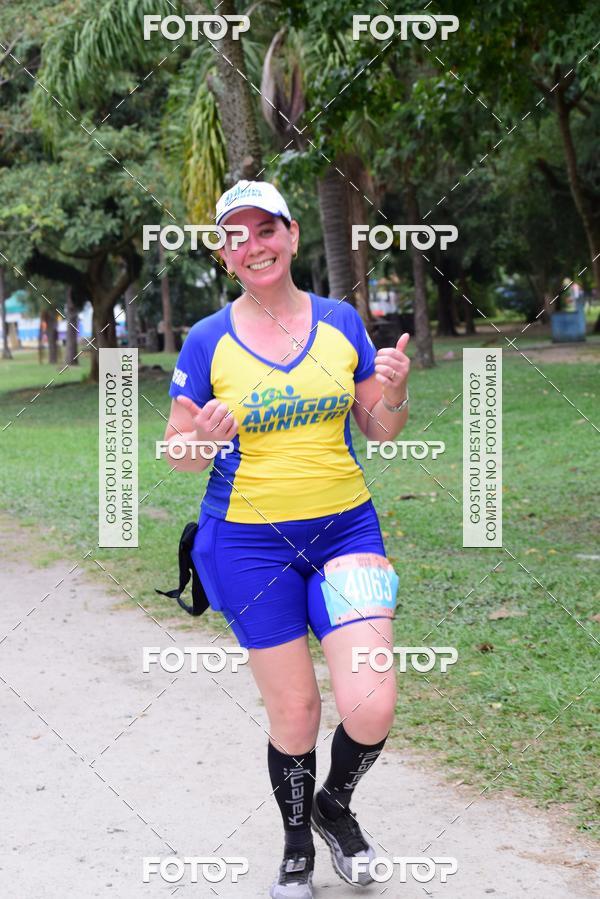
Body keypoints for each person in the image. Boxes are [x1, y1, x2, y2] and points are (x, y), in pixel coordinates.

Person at [163, 180, 411, 898]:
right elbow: (177, 451)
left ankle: (337, 803)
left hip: (346, 529)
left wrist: (392, 387)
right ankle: (298, 839)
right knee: (297, 710)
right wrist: (201, 440)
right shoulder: (208, 339)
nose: (253, 245)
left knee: (371, 704)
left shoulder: (340, 322)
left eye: (264, 229)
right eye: (235, 236)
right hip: (246, 545)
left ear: (293, 235)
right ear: (223, 255)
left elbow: (381, 426)